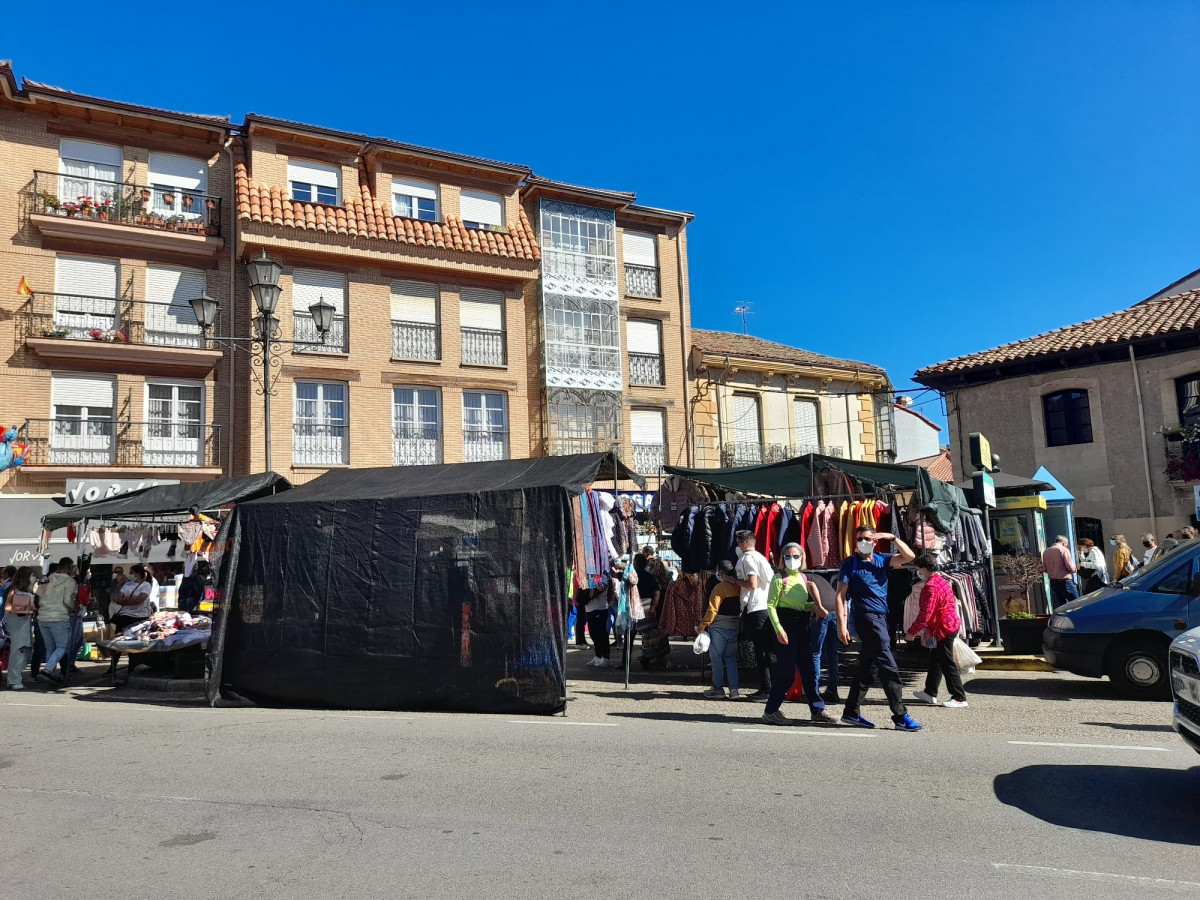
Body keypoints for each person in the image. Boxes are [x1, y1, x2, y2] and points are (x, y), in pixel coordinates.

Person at [836, 525, 922, 731]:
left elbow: (909, 556)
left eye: (866, 538)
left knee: (869, 666)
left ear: (875, 541)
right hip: (867, 617)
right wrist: (842, 625)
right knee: (887, 664)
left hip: (882, 617)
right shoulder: (851, 563)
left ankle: (851, 712)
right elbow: (840, 595)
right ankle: (900, 715)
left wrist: (892, 537)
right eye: (859, 539)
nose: (862, 542)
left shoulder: (882, 559)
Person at [762, 544, 837, 726]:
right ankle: (771, 711)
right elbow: (771, 605)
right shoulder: (779, 578)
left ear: (802, 557)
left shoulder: (803, 578)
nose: (791, 559)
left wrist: (816, 607)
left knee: (809, 670)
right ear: (782, 558)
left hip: (801, 625)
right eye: (787, 556)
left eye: (795, 556)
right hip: (785, 624)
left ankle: (817, 710)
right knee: (786, 673)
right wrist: (779, 629)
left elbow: (801, 605)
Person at [905, 555, 968, 709]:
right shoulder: (942, 581)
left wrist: (912, 632)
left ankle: (959, 697)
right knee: (937, 660)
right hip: (948, 625)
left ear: (925, 569)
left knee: (946, 663)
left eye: (919, 569)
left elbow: (926, 614)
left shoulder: (931, 586)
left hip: (943, 628)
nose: (918, 572)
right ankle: (930, 692)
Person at [729, 530, 776, 701]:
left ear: (744, 543)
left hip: (757, 608)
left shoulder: (748, 559)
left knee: (761, 651)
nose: (736, 545)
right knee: (765, 649)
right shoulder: (759, 557)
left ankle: (767, 688)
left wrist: (733, 581)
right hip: (764, 606)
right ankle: (768, 687)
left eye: (738, 542)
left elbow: (752, 583)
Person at [698, 560, 742, 699]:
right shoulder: (739, 587)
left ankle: (718, 689)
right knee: (730, 659)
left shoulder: (719, 588)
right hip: (734, 626)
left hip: (718, 627)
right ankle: (734, 690)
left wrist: (703, 625)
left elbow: (712, 610)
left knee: (716, 658)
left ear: (721, 573)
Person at [35, 557, 77, 686]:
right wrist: (75, 606)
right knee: (62, 647)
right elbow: (68, 601)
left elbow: (38, 598)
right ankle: (47, 670)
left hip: (42, 617)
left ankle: (52, 675)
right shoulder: (69, 582)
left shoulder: (45, 580)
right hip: (59, 617)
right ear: (70, 568)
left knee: (50, 648)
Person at [806, 573, 842, 704]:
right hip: (834, 611)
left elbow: (810, 586)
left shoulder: (801, 579)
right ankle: (833, 690)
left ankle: (814, 692)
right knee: (832, 653)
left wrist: (817, 606)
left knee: (815, 653)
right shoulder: (817, 577)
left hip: (822, 613)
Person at [4, 567, 35, 690]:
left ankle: (15, 678)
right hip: (17, 622)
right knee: (17, 651)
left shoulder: (26, 591)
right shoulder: (14, 590)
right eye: (32, 575)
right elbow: (7, 607)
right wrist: (21, 609)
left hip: (24, 622)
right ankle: (14, 679)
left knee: (22, 651)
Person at [111, 564, 154, 634]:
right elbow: (118, 600)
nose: (130, 575)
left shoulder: (146, 585)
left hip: (140, 617)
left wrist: (125, 599)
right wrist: (131, 600)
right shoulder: (127, 584)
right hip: (125, 616)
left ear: (138, 574)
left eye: (131, 573)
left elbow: (139, 600)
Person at [584, 577, 613, 669]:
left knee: (601, 634)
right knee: (593, 634)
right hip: (589, 608)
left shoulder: (603, 575)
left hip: (600, 608)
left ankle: (606, 657)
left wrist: (590, 582)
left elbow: (601, 587)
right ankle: (597, 656)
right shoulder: (589, 575)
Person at [1042, 536, 1079, 605]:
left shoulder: (1046, 551)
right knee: (1076, 602)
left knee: (1062, 604)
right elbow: (1069, 565)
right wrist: (1075, 570)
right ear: (1064, 543)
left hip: (1053, 581)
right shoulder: (1064, 550)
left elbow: (1044, 568)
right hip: (1065, 581)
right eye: (1067, 545)